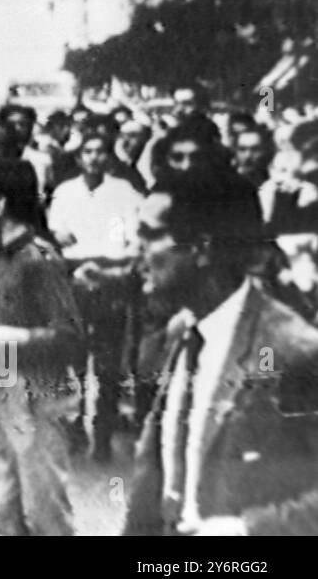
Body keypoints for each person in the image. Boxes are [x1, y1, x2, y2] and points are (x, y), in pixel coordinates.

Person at [124, 167, 318, 535]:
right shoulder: (185, 330)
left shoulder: (291, 349)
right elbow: (155, 471)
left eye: (150, 235)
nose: (137, 250)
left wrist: (245, 530)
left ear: (201, 248)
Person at [0, 159, 84, 536]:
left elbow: (70, 337)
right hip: (4, 394)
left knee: (46, 516)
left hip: (41, 398)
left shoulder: (38, 259)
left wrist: (7, 338)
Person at [48, 131, 144, 462]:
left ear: (109, 157)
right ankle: (73, 427)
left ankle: (102, 432)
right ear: (78, 158)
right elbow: (57, 234)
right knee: (71, 357)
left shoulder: (124, 193)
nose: (93, 158)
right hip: (73, 278)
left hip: (110, 279)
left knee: (107, 363)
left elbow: (133, 240)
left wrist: (110, 267)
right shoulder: (65, 193)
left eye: (100, 151)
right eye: (87, 152)